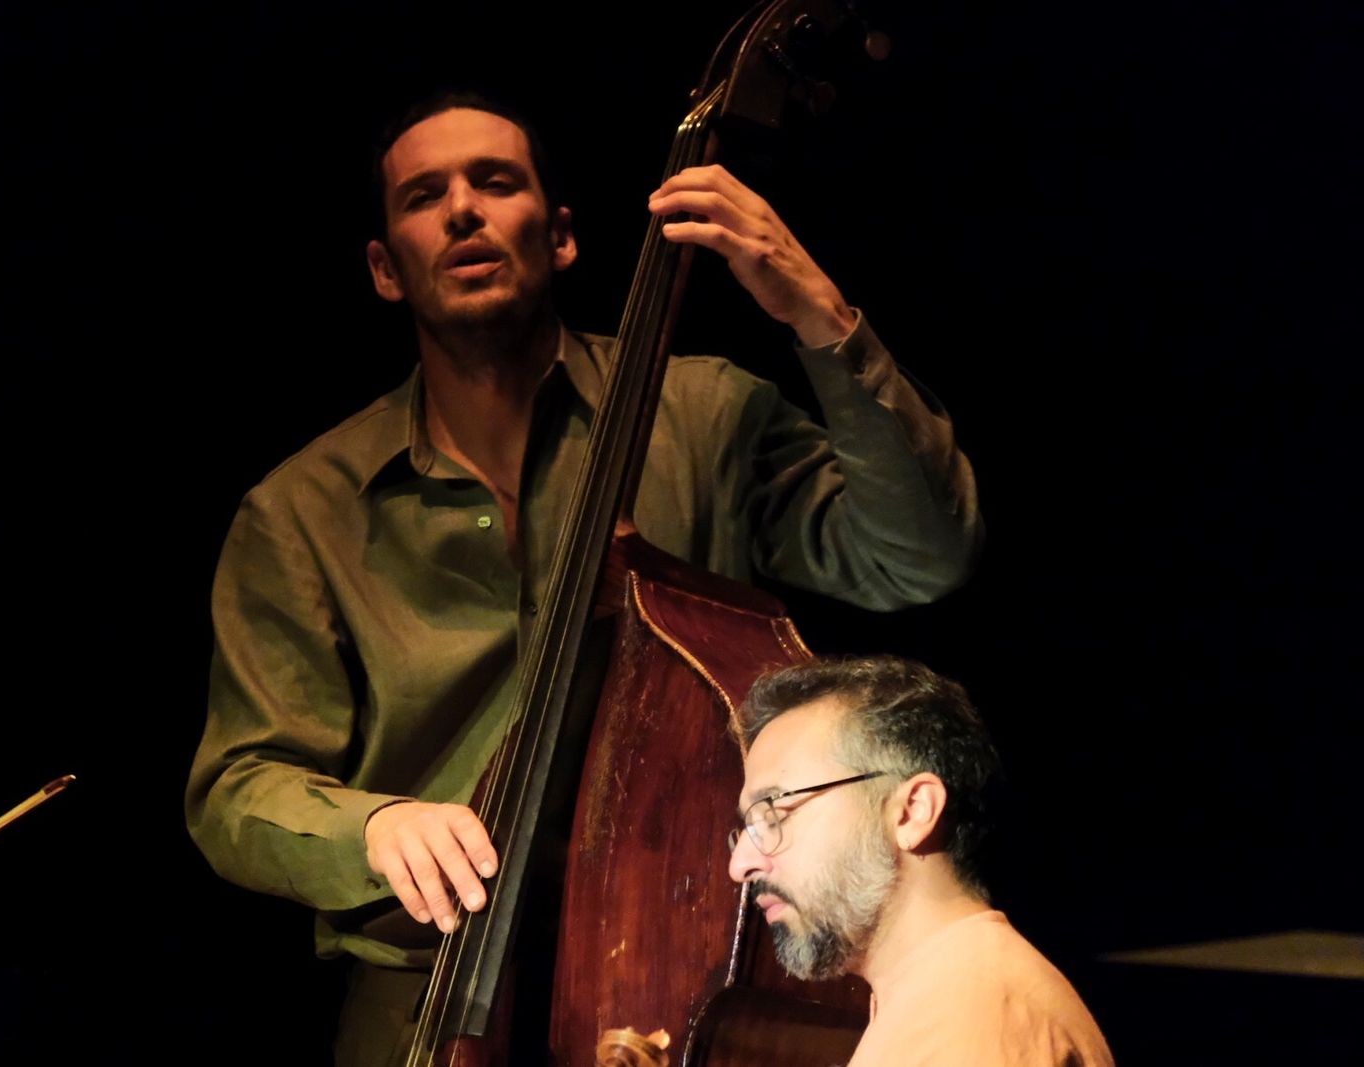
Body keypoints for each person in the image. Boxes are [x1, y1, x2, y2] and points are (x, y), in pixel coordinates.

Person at [186, 91, 982, 1065]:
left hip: (687, 978)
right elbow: (235, 788)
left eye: (495, 182)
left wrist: (819, 316)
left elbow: (922, 554)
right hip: (427, 996)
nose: (463, 210)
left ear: (560, 236)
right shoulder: (301, 510)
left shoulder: (703, 415)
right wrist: (375, 825)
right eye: (424, 196)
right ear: (385, 268)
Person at [728, 654, 1112, 1065]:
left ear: (912, 812)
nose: (740, 865)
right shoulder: (939, 999)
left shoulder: (968, 1017)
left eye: (773, 812)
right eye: (748, 826)